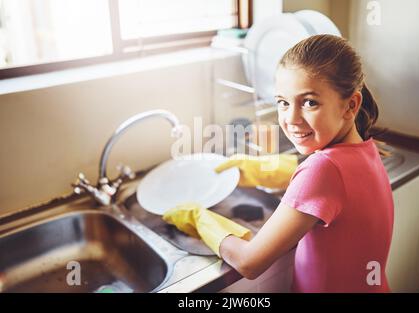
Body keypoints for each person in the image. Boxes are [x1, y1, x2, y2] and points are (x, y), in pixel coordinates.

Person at [164, 34, 394, 293]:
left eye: (309, 102)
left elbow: (249, 263)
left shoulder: (323, 169)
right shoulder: (368, 149)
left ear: (350, 105)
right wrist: (263, 170)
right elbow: (338, 188)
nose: (291, 118)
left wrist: (201, 220)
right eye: (283, 102)